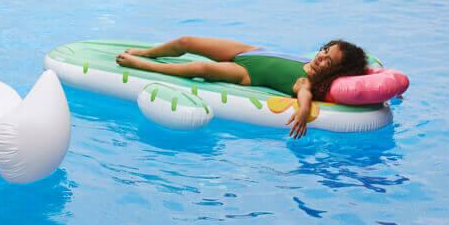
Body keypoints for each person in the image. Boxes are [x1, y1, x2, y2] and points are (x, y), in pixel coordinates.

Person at [115, 37, 367, 139]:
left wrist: (303, 111)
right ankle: (147, 52)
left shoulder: (308, 82)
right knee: (187, 41)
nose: (321, 57)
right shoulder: (309, 62)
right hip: (249, 52)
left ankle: (142, 64)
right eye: (324, 50)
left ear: (334, 71)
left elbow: (304, 93)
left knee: (200, 69)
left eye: (328, 60)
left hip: (248, 73)